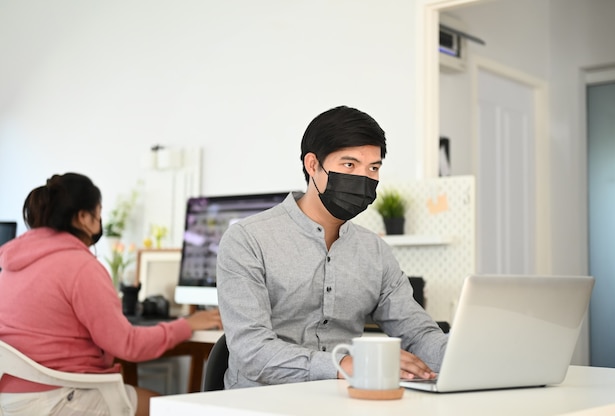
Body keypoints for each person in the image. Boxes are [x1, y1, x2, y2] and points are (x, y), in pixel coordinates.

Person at [216, 105, 448, 389]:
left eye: (373, 168)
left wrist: (462, 355)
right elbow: (252, 350)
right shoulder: (247, 239)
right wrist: (344, 365)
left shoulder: (375, 251)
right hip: (260, 403)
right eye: (349, 165)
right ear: (312, 165)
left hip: (343, 400)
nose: (364, 178)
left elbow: (417, 333)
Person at [0, 173, 223, 416]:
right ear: (84, 217)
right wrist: (187, 325)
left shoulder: (11, 265)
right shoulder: (80, 266)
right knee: (169, 408)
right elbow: (129, 345)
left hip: (11, 399)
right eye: (99, 212)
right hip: (62, 397)